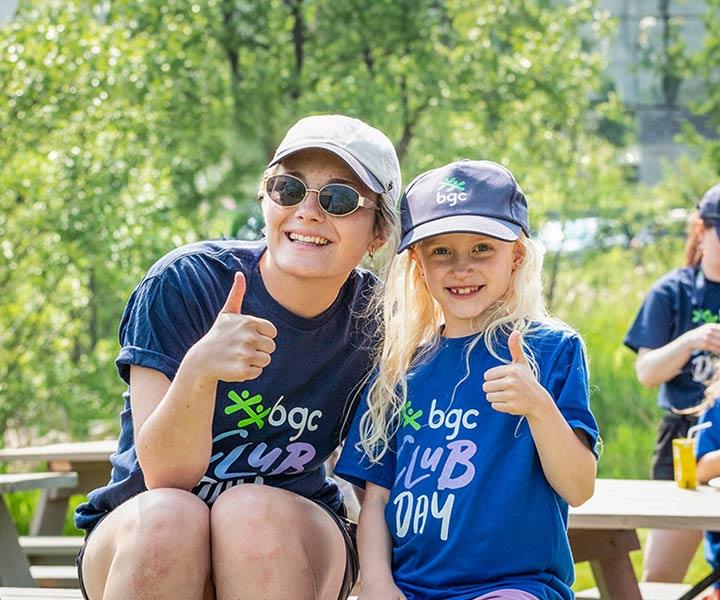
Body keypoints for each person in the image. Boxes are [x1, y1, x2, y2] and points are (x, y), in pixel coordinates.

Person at [72, 114, 402, 600]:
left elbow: (386, 472)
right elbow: (164, 476)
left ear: (378, 233)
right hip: (144, 533)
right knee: (170, 517)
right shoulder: (186, 283)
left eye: (339, 198)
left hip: (292, 533)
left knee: (249, 514)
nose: (308, 212)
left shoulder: (378, 321)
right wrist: (199, 370)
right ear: (266, 200)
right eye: (288, 189)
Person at [334, 160, 599, 600]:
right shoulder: (401, 367)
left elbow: (578, 487)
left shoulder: (551, 350)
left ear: (516, 257)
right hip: (409, 588)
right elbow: (376, 501)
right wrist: (378, 584)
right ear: (418, 265)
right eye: (441, 251)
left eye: (481, 249)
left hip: (513, 587)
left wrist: (537, 406)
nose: (461, 268)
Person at [624, 183, 720, 582]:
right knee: (662, 577)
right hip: (685, 438)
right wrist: (692, 340)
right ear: (702, 230)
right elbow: (647, 373)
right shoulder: (673, 291)